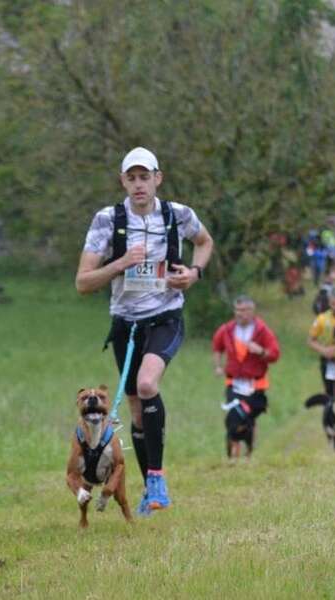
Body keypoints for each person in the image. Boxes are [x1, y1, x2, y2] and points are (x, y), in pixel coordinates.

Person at [76, 147, 214, 514]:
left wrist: (194, 274)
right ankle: (150, 493)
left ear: (158, 178)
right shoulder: (108, 220)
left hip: (166, 315)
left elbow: (205, 242)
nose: (138, 185)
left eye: (145, 177)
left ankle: (156, 477)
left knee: (148, 384)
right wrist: (119, 263)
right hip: (125, 324)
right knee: (137, 411)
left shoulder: (178, 214)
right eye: (131, 178)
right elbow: (83, 282)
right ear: (123, 181)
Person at [212, 296, 280, 459]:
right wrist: (218, 366)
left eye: (243, 310)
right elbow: (217, 347)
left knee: (248, 419)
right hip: (234, 383)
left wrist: (261, 351)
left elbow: (275, 354)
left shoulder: (262, 331)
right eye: (237, 310)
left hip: (256, 385)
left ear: (252, 311)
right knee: (234, 416)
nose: (239, 314)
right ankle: (233, 454)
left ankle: (249, 452)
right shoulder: (227, 330)